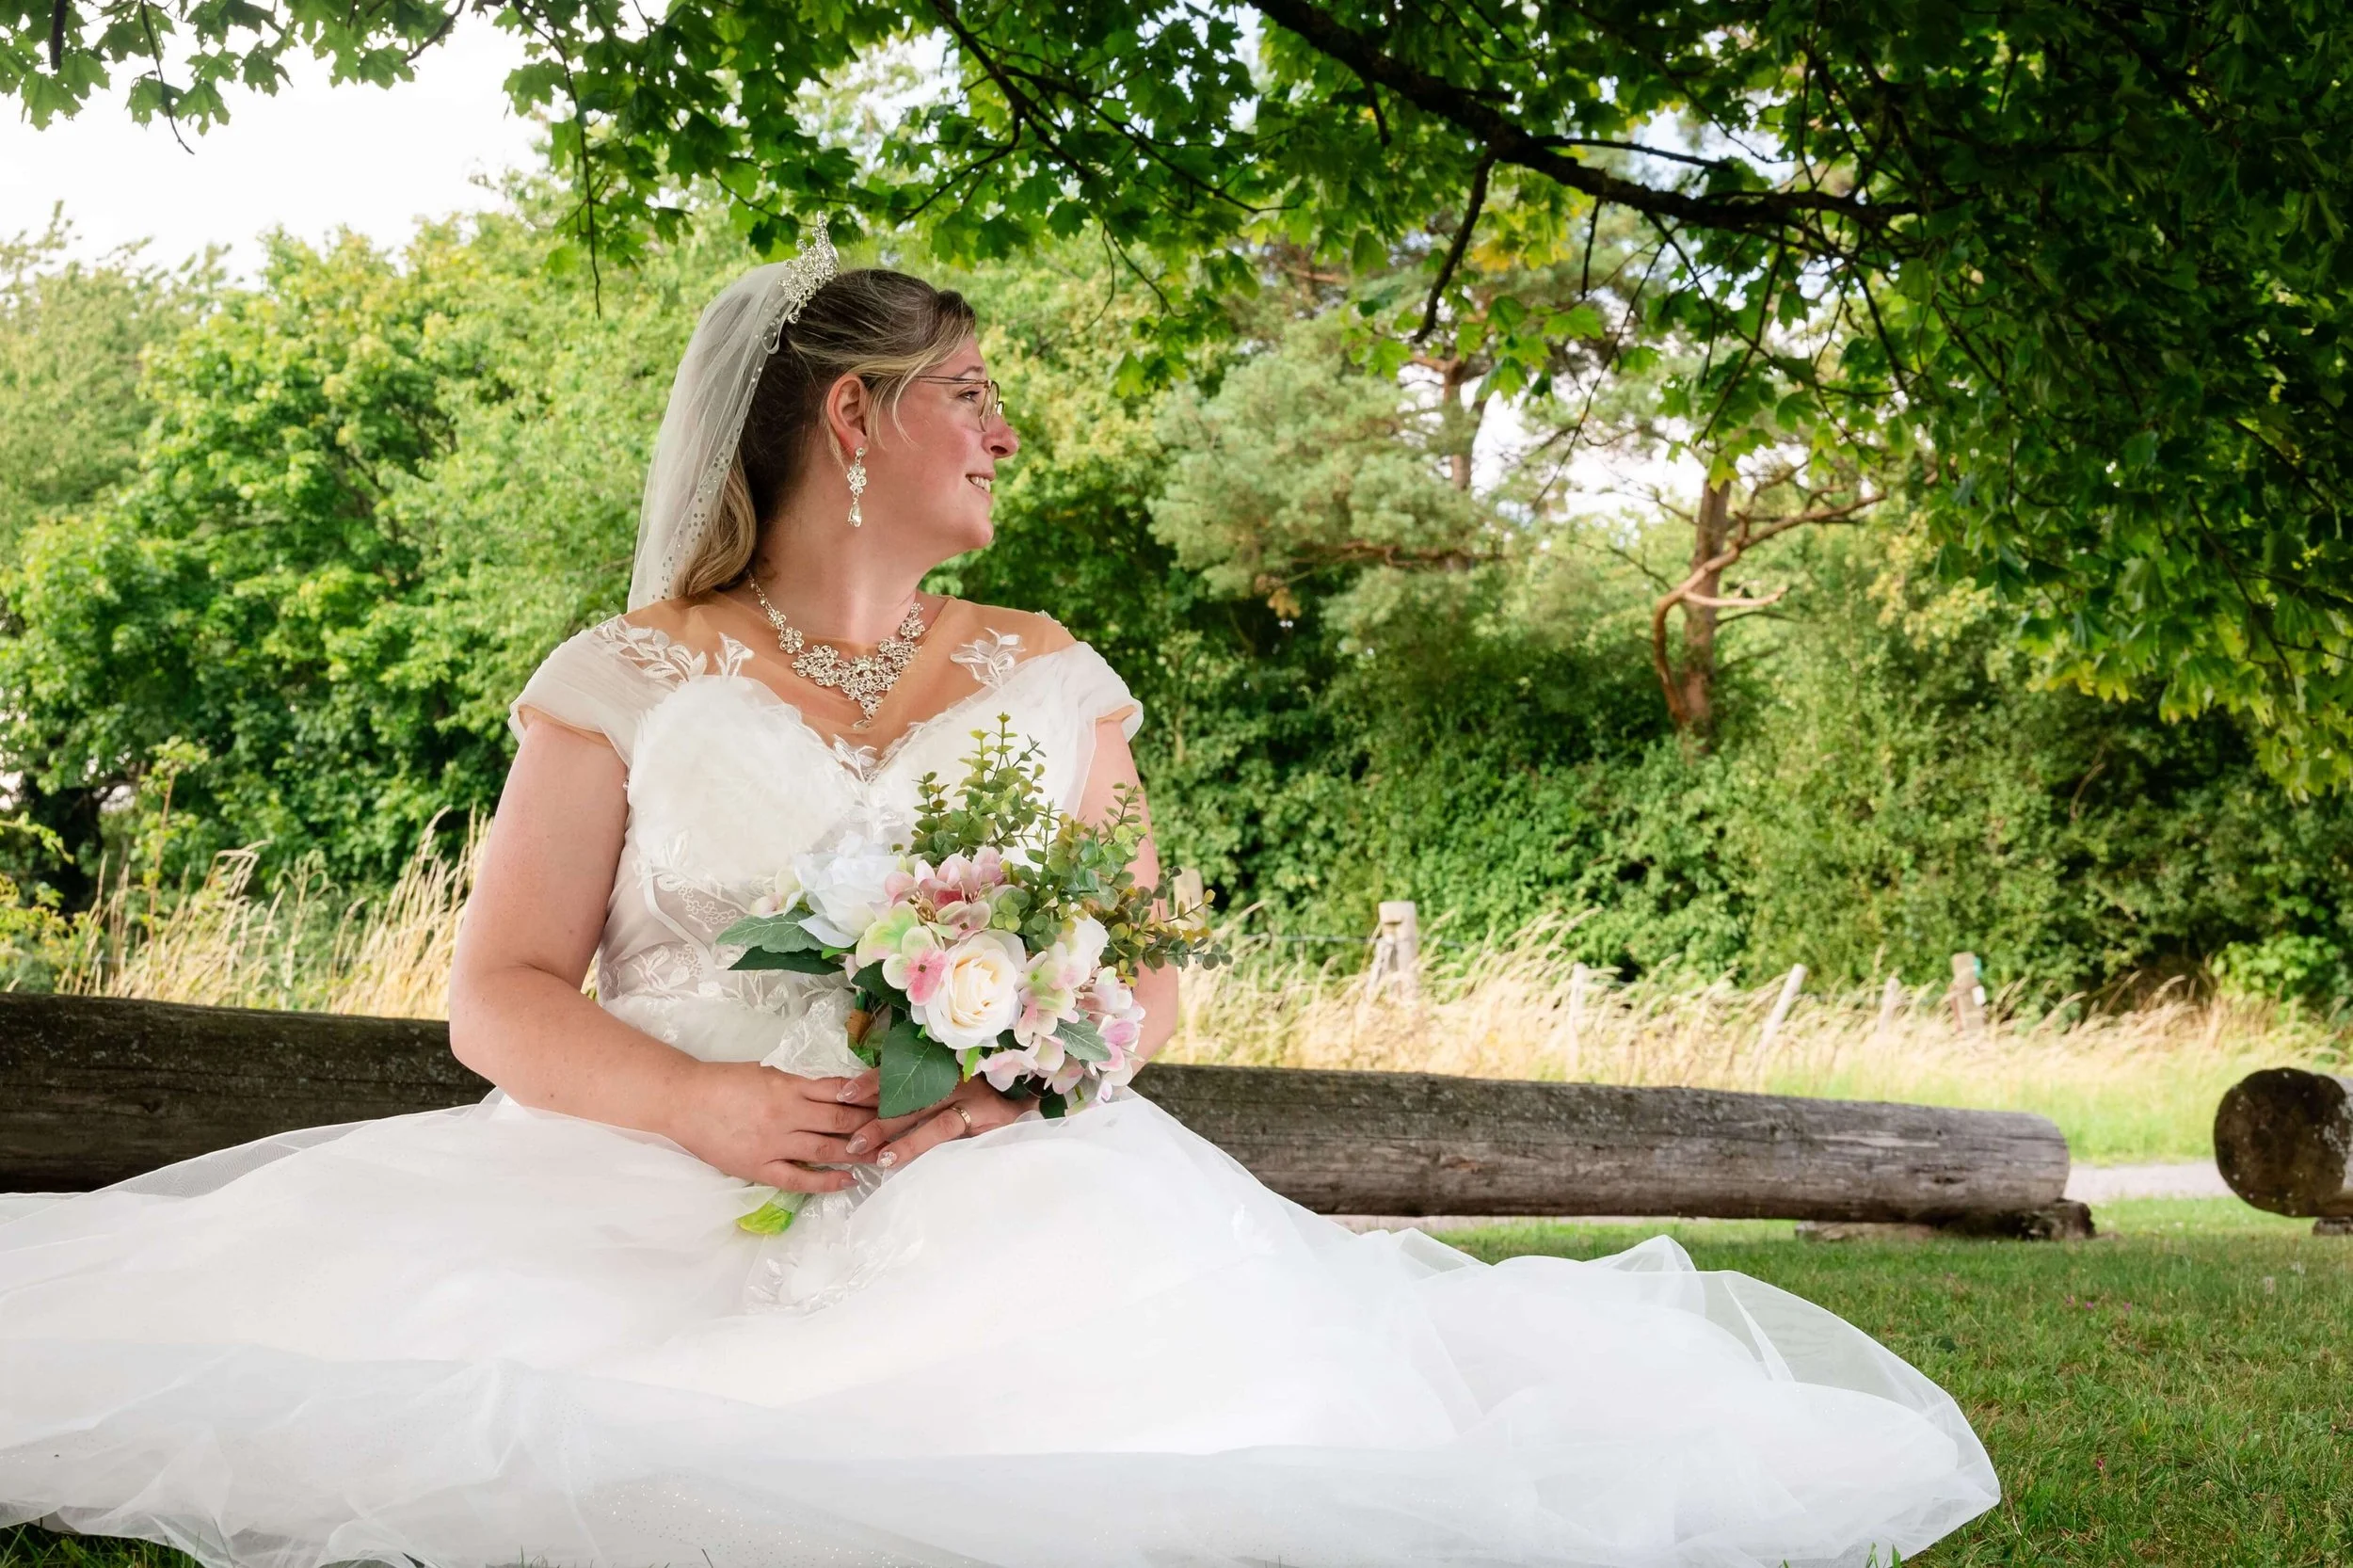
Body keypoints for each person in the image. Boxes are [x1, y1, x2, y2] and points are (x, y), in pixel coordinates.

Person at [0, 228, 1998, 1568]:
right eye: (968, 390)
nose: (1007, 426)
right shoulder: (622, 674)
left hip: (1009, 1187)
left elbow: (1145, 976)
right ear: (850, 421)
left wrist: (1036, 1072)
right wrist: (696, 1102)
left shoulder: (1054, 676)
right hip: (631, 1183)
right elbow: (499, 994)